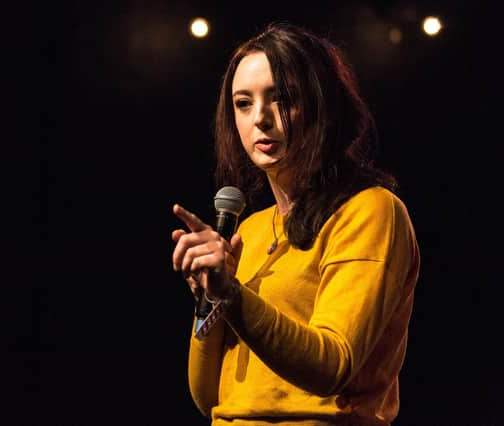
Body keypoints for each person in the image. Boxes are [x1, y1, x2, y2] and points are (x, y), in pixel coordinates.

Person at [170, 22, 420, 426]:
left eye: (282, 98)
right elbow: (207, 396)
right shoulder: (247, 230)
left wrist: (233, 296)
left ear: (322, 106)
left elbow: (332, 366)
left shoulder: (371, 211)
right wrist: (210, 301)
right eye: (243, 103)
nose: (261, 119)